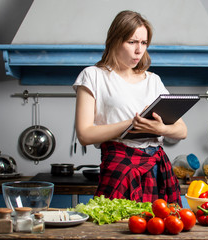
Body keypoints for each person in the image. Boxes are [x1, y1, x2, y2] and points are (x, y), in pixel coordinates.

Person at [73, 10, 186, 206]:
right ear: (116, 40)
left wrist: (161, 129)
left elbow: (182, 130)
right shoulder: (93, 76)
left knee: (159, 233)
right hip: (119, 168)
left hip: (157, 169)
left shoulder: (154, 81)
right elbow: (84, 134)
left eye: (143, 43)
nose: (139, 50)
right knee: (115, 233)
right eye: (132, 42)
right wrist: (131, 125)